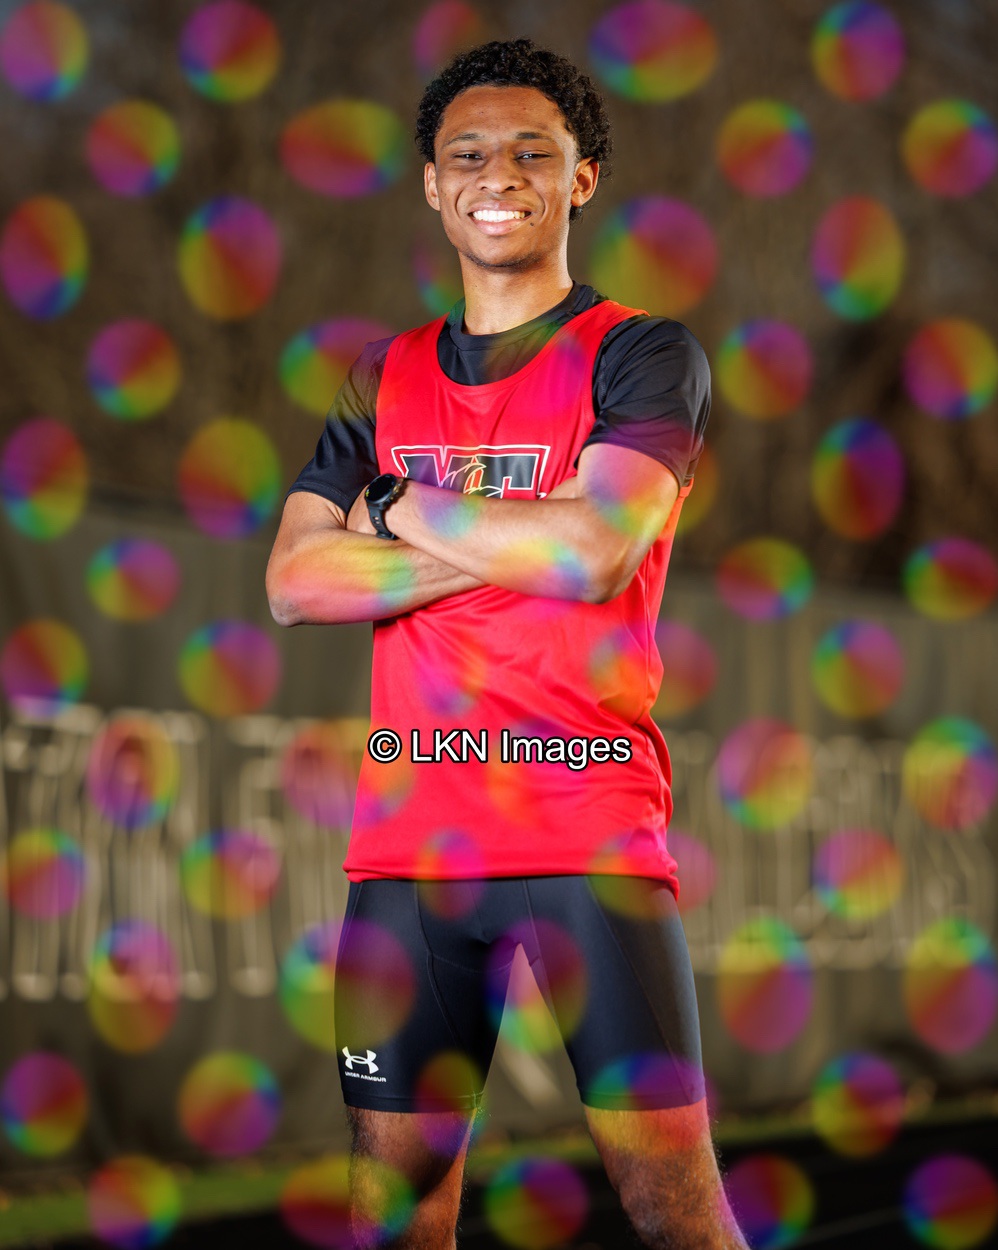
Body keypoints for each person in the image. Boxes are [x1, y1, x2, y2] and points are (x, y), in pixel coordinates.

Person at [267, 37, 747, 1250]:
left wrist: (392, 505)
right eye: (468, 154)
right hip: (407, 852)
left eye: (533, 153)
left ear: (581, 178)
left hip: (586, 834)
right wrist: (524, 533)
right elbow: (293, 582)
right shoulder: (383, 374)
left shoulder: (642, 353)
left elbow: (593, 555)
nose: (499, 175)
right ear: (432, 183)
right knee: (396, 1215)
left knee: (672, 1210)